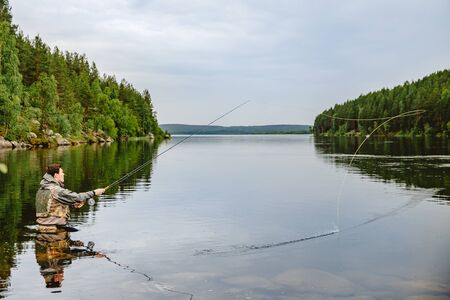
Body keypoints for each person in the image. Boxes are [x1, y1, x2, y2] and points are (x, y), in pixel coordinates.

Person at [35, 163, 105, 233]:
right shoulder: (56, 190)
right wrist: (94, 192)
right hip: (55, 232)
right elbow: (77, 197)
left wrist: (72, 203)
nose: (63, 174)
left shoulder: (41, 190)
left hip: (42, 229)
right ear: (56, 175)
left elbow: (51, 205)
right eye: (62, 173)